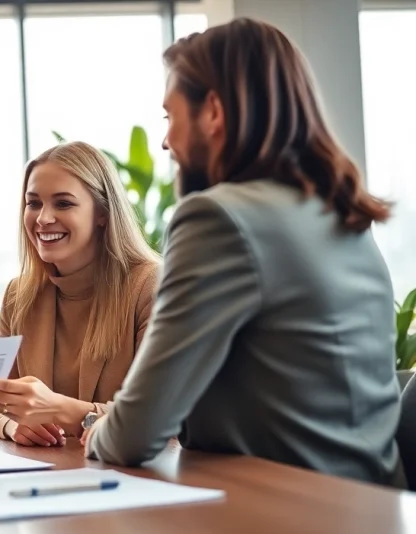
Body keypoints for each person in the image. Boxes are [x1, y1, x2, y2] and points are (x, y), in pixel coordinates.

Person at [77, 18, 403, 487]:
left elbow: (135, 433)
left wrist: (94, 430)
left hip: (292, 522)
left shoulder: (218, 218)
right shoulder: (339, 209)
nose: (166, 141)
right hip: (372, 510)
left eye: (170, 117)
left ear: (212, 112)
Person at [0, 141, 160, 447]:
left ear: (103, 213)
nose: (43, 218)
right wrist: (13, 426)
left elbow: (161, 415)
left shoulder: (150, 286)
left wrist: (60, 409)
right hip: (48, 477)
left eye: (63, 203)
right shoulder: (19, 296)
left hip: (135, 477)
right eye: (33, 203)